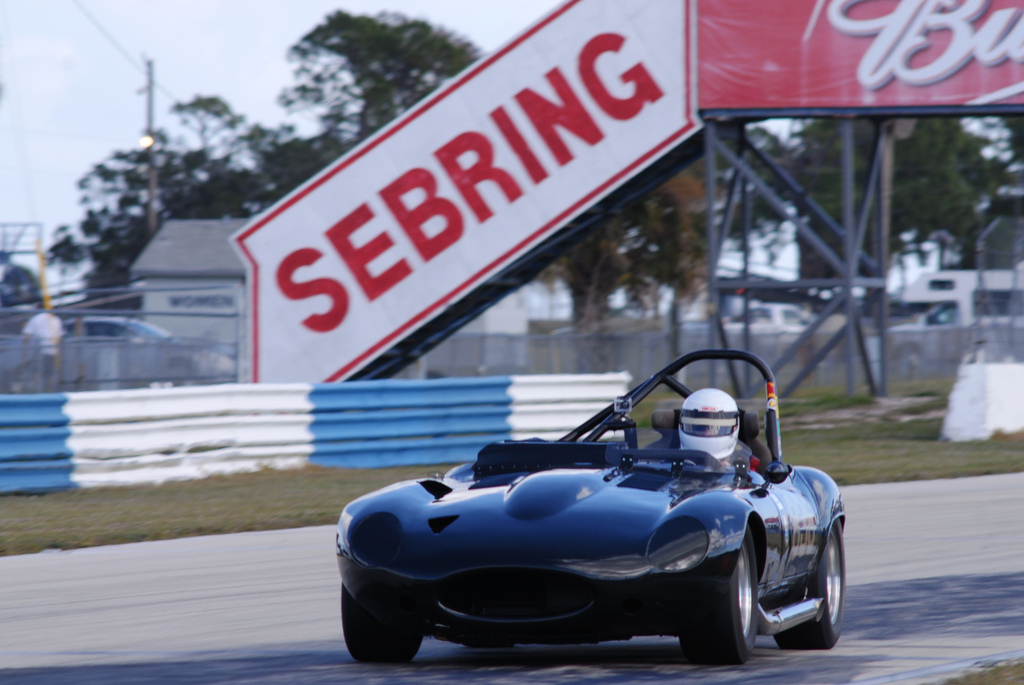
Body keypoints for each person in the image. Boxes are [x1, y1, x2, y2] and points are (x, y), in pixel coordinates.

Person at [678, 387, 750, 467]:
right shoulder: (671, 460)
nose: (706, 433)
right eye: (700, 428)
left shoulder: (743, 463)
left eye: (713, 428)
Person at [22, 307, 63, 391]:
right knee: (49, 371)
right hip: (52, 349)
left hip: (39, 348)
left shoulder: (35, 318)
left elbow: (27, 334)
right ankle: (50, 389)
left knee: (35, 370)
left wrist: (25, 347)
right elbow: (58, 337)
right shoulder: (56, 319)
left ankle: (37, 387)